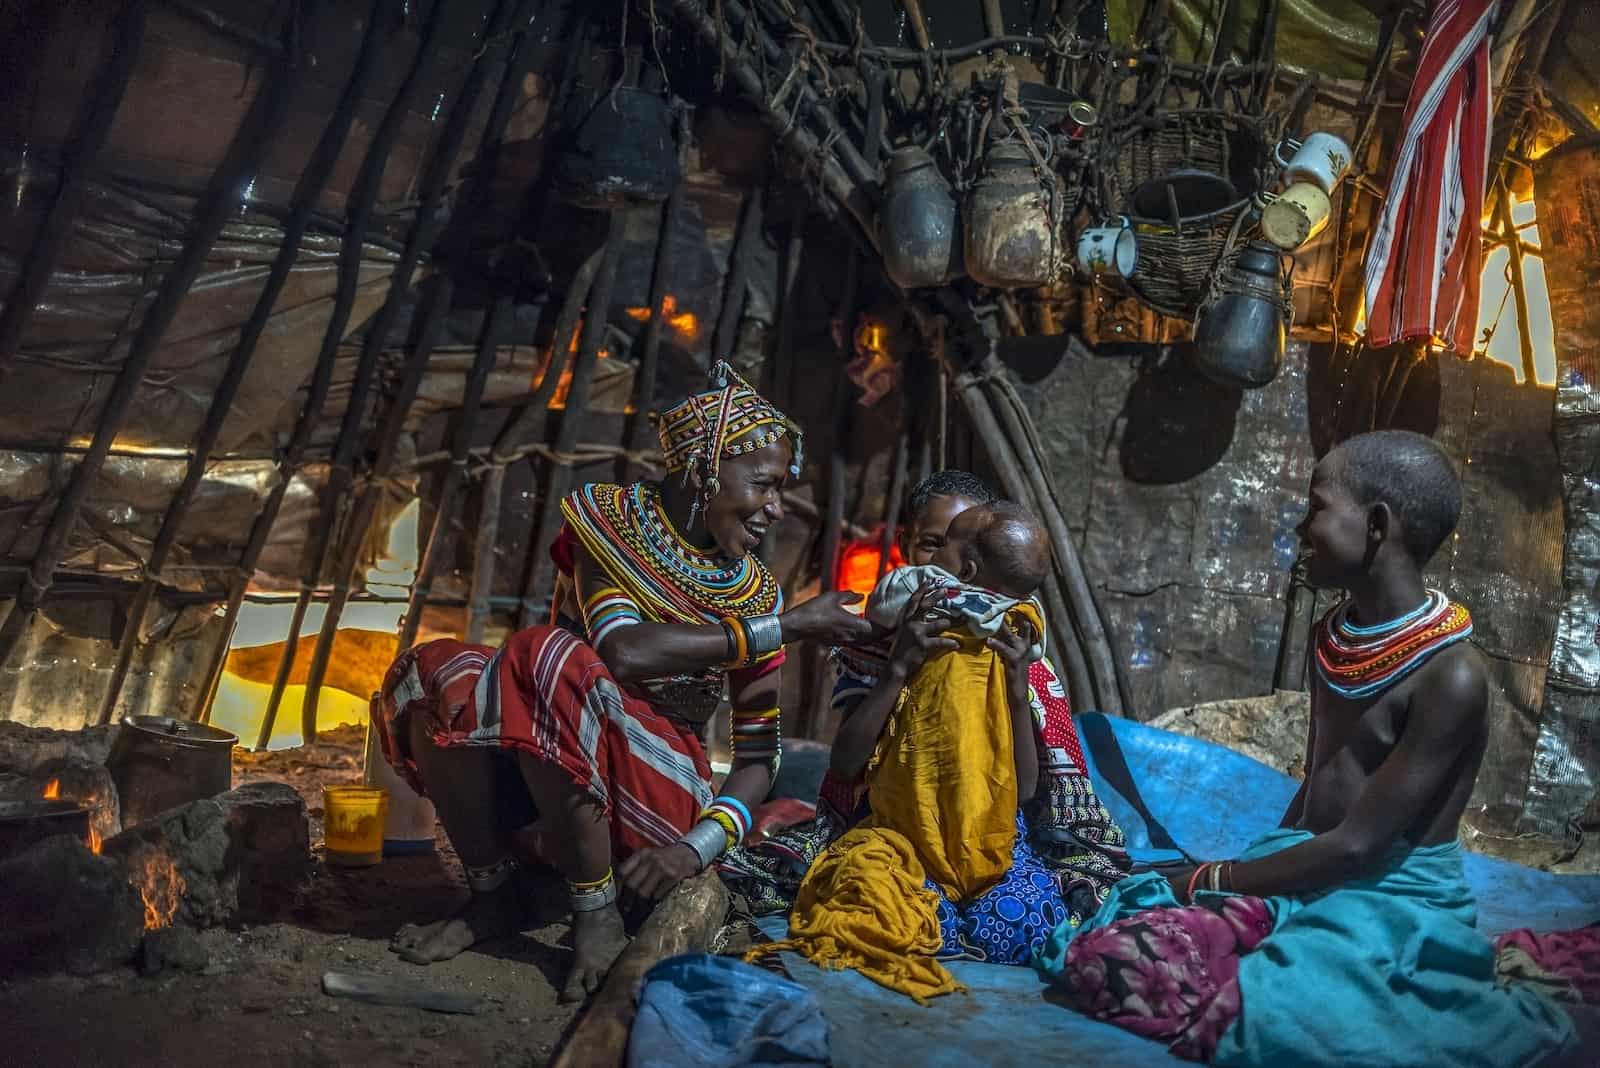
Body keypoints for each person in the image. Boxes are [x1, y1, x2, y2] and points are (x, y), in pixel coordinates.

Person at [1034, 430, 1578, 1066]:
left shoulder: (1450, 676)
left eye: (1316, 506)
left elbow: (1359, 846)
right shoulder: (1335, 634)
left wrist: (1209, 879)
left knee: (1284, 1008)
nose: (1299, 526)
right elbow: (1319, 788)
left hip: (1387, 896)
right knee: (1110, 944)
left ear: (1376, 525)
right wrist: (1249, 884)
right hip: (1304, 865)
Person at [371, 362, 872, 1001]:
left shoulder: (752, 590)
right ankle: (493, 895)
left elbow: (756, 757)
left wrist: (693, 851)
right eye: (765, 484)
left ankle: (595, 908)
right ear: (705, 470)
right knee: (440, 668)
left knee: (549, 657)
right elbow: (623, 650)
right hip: (547, 756)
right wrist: (787, 626)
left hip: (651, 797)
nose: (776, 508)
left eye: (782, 489)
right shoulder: (610, 526)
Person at [719, 471, 1128, 942]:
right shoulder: (877, 644)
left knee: (1021, 927)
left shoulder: (1016, 650)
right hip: (893, 830)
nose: (942, 570)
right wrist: (897, 669)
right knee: (855, 902)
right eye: (931, 545)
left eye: (956, 551)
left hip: (990, 836)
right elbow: (847, 765)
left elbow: (1028, 788)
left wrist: (1016, 690)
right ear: (905, 543)